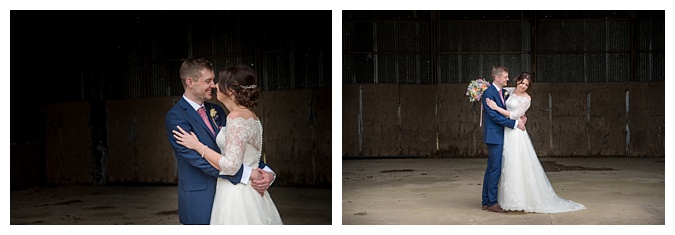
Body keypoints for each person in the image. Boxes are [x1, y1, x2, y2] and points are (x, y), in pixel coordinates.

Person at [165, 58, 276, 224]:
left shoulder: (217, 110)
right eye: (208, 81)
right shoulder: (176, 117)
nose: (214, 85)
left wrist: (266, 172)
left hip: (230, 196)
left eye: (214, 79)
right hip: (201, 198)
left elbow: (237, 147)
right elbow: (196, 160)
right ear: (190, 82)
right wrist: (248, 174)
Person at [485, 72, 586, 213]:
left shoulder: (527, 99)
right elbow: (496, 90)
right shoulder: (508, 91)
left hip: (515, 133)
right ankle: (503, 198)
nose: (523, 86)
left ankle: (519, 199)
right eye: (521, 83)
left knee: (517, 163)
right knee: (506, 164)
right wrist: (478, 91)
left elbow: (514, 115)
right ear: (517, 81)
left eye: (526, 85)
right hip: (505, 132)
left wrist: (496, 108)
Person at [480, 66, 526, 213]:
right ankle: (492, 202)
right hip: (494, 136)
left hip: (502, 134)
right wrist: (515, 123)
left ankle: (486, 201)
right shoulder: (488, 93)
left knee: (491, 168)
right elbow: (495, 116)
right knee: (495, 169)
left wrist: (520, 116)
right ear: (497, 78)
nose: (507, 79)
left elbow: (513, 106)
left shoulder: (503, 92)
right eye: (505, 77)